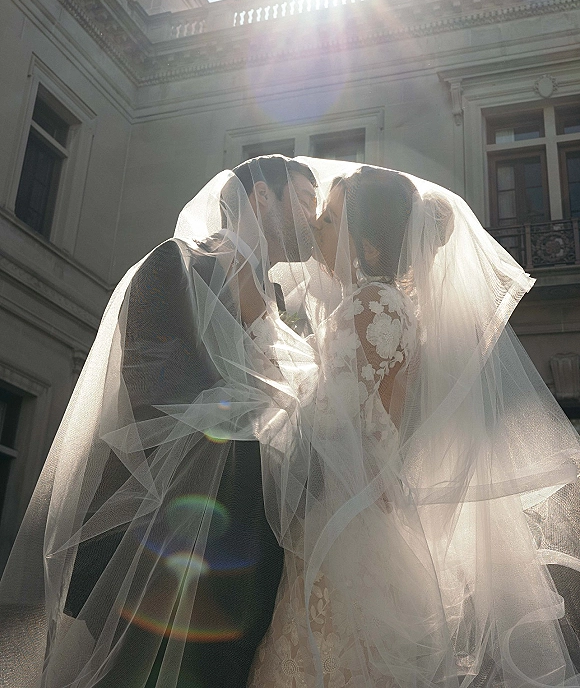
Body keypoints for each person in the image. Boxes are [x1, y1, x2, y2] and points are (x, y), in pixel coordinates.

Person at [249, 160, 580, 688]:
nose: (316, 229)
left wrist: (262, 356)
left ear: (367, 243)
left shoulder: (371, 304)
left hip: (347, 519)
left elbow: (327, 420)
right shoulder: (394, 304)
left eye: (330, 220)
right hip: (368, 506)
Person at [0, 155, 319, 688]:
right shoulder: (178, 263)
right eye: (305, 202)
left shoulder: (278, 299)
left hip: (251, 536)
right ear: (262, 198)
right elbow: (153, 382)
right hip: (158, 527)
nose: (313, 218)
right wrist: (262, 417)